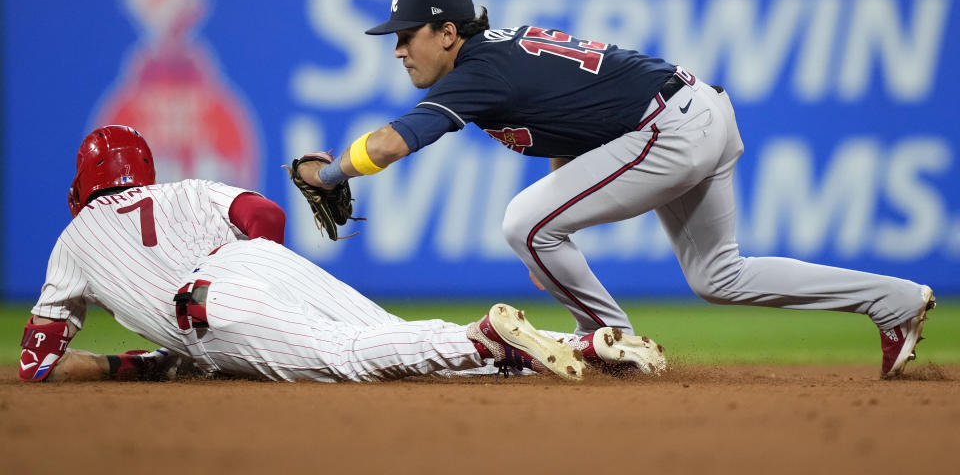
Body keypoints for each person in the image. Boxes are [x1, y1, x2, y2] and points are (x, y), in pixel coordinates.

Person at [296, 0, 936, 379]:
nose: (399, 48)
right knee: (719, 276)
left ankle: (610, 338)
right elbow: (576, 131)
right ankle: (895, 301)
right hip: (696, 111)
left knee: (524, 221)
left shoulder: (479, 70)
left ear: (449, 31)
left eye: (409, 35)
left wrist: (332, 172)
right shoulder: (496, 58)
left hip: (672, 127)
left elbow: (394, 141)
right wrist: (552, 232)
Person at [19, 124, 617, 384]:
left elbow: (39, 366)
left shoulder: (72, 242)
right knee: (391, 335)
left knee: (353, 358)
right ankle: (581, 345)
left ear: (82, 184)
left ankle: (482, 338)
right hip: (254, 261)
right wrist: (258, 275)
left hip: (209, 308)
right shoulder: (183, 190)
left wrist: (142, 363)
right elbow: (264, 217)